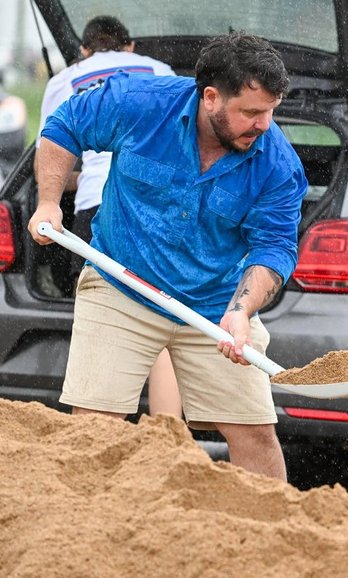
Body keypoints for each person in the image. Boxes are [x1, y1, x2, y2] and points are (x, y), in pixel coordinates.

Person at [28, 31, 308, 481]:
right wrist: (48, 202)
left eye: (270, 113)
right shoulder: (140, 103)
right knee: (94, 427)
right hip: (122, 284)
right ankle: (87, 531)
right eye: (251, 112)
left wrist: (241, 312)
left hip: (215, 303)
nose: (263, 125)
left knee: (256, 434)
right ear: (211, 98)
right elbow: (65, 125)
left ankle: (268, 536)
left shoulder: (276, 163)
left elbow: (274, 247)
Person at [34, 15, 181, 419]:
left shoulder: (66, 80)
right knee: (160, 313)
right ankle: (167, 431)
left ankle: (100, 424)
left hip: (97, 209)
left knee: (107, 317)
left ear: (83, 50)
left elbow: (51, 150)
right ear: (129, 46)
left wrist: (75, 183)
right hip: (153, 206)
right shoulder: (160, 71)